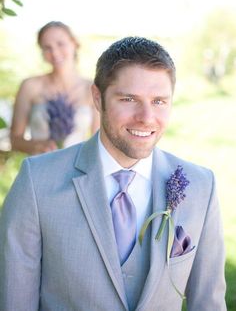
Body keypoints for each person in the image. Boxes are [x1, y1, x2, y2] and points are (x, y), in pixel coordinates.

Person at [0, 37, 226, 310]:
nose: (146, 117)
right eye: (129, 99)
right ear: (98, 98)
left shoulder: (201, 186)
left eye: (159, 101)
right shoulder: (36, 181)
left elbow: (209, 302)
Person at [10, 21, 99, 155]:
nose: (55, 52)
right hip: (40, 167)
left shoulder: (93, 89)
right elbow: (15, 140)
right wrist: (36, 146)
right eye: (47, 47)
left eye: (60, 44)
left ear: (74, 44)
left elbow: (99, 144)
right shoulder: (30, 86)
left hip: (76, 169)